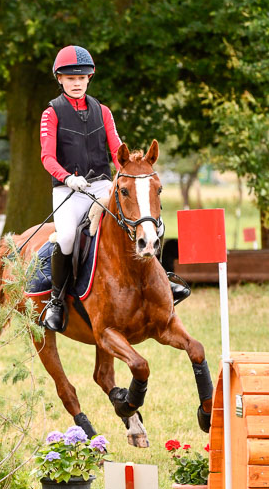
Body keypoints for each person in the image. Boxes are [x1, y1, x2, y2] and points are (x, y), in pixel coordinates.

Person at [40, 44, 190, 332]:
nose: (76, 83)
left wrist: (130, 175)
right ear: (59, 79)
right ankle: (57, 301)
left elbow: (115, 150)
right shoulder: (51, 113)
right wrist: (67, 177)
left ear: (89, 78)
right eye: (70, 78)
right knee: (68, 237)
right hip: (68, 190)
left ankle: (164, 277)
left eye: (81, 78)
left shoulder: (103, 111)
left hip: (101, 187)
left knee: (149, 223)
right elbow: (47, 156)